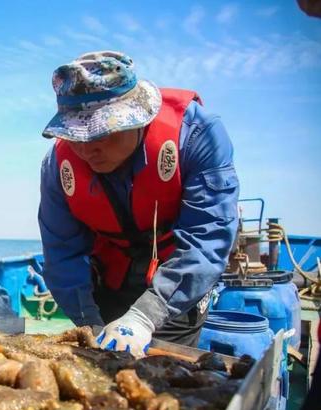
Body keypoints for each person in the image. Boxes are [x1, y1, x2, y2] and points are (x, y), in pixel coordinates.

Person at [38, 51, 239, 356]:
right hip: (109, 276)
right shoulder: (57, 166)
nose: (87, 148)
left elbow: (207, 239)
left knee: (163, 374)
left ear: (137, 117)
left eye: (101, 133)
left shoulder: (198, 136)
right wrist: (88, 324)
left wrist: (144, 316)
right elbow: (61, 253)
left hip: (181, 278)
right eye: (77, 136)